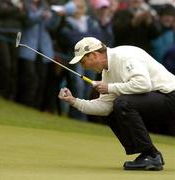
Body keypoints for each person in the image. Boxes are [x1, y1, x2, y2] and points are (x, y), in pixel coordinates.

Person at [58, 37, 175, 171]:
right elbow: (105, 107)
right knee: (116, 106)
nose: (83, 66)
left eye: (83, 61)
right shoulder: (107, 71)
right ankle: (148, 154)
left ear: (95, 55)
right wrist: (74, 101)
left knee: (122, 103)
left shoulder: (123, 57)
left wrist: (110, 87)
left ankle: (151, 156)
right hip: (159, 99)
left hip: (170, 96)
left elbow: (143, 84)